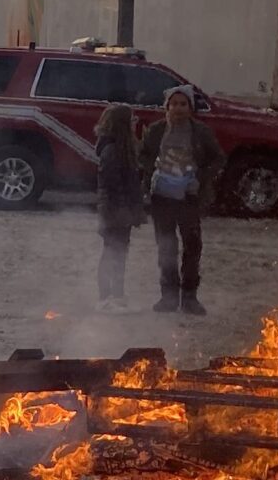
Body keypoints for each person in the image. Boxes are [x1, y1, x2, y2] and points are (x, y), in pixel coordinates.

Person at [137, 86, 224, 316]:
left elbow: (218, 158)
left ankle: (189, 297)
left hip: (189, 198)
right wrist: (153, 172)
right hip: (162, 198)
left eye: (183, 104)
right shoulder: (156, 130)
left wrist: (199, 178)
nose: (178, 108)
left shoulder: (201, 132)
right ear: (167, 107)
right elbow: (143, 155)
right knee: (166, 247)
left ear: (190, 108)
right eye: (173, 104)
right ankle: (168, 297)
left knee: (192, 245)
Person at [93, 103, 144, 313]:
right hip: (115, 211)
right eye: (131, 119)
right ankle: (106, 297)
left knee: (118, 253)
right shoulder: (113, 150)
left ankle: (117, 295)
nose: (134, 123)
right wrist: (126, 210)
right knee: (112, 253)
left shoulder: (118, 148)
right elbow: (114, 185)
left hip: (118, 210)